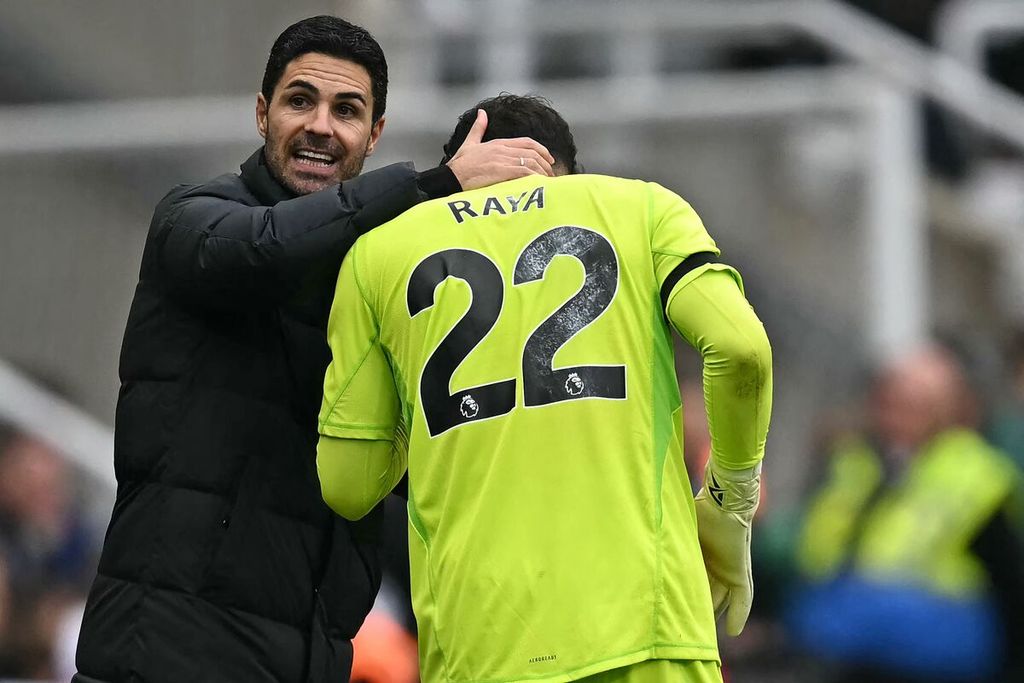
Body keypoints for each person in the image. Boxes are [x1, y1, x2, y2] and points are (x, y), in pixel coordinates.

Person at [72, 16, 554, 683]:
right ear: (263, 113)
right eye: (302, 101)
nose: (322, 126)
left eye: (347, 110)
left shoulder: (384, 277)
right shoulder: (193, 218)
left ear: (374, 133)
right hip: (164, 656)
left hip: (308, 659)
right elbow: (263, 250)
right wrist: (432, 187)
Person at [316, 94, 773, 683]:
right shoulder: (643, 208)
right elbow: (742, 350)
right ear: (568, 172)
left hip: (475, 644)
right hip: (647, 631)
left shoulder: (377, 254)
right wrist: (730, 503)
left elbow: (348, 484)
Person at [788, 345, 1024, 682]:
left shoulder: (975, 473)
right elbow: (813, 546)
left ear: (946, 410)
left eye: (914, 406)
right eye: (889, 403)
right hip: (843, 636)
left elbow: (1009, 581)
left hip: (936, 647)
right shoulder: (855, 461)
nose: (896, 418)